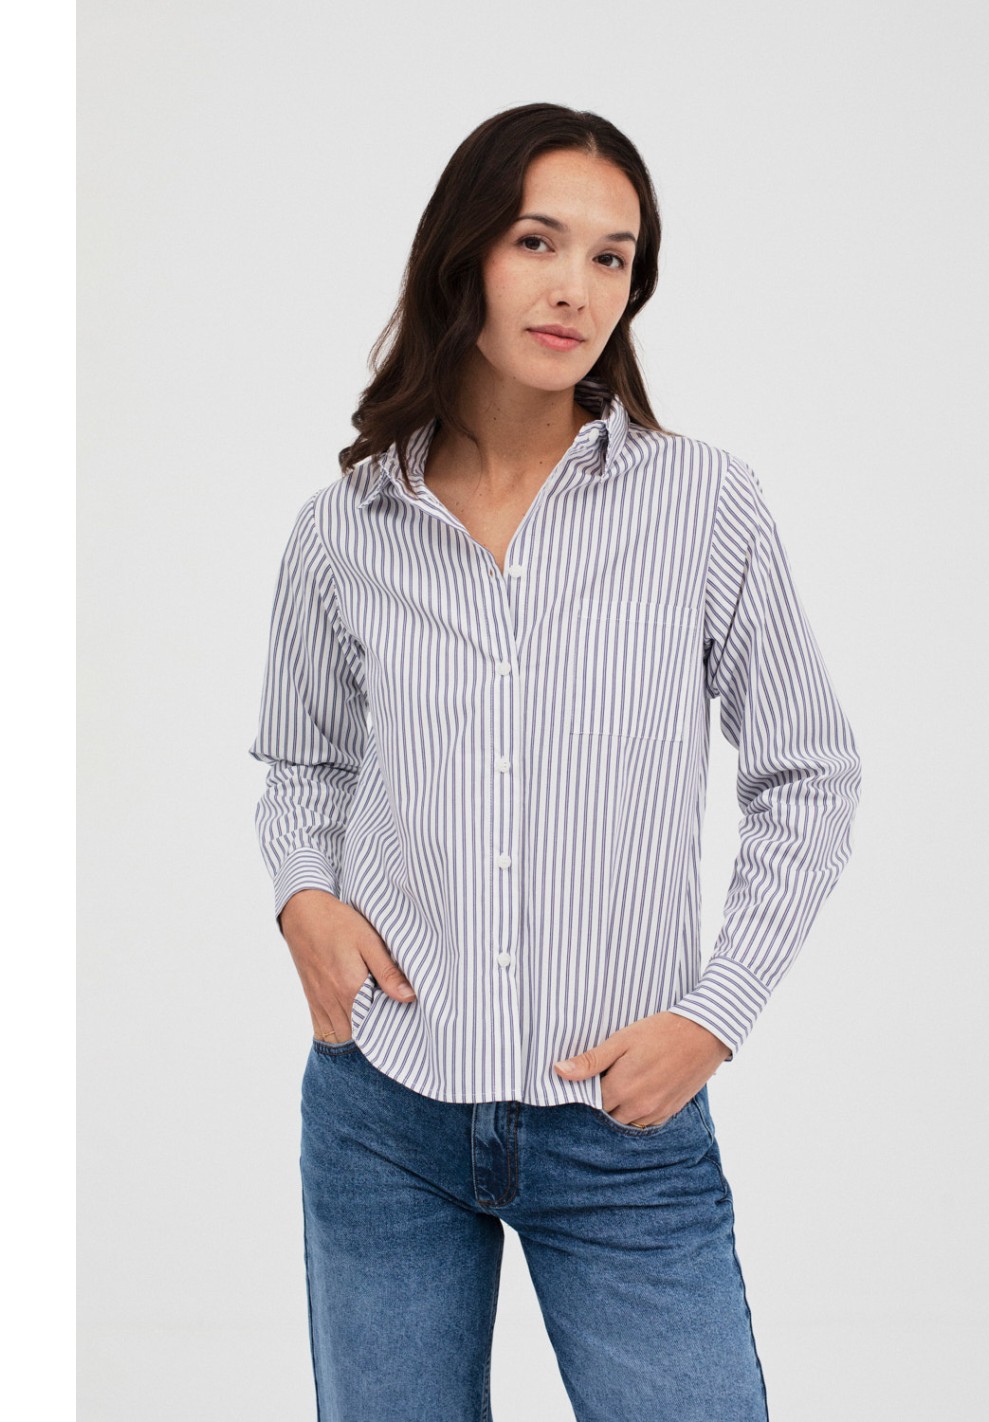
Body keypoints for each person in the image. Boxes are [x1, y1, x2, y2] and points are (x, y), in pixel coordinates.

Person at [248, 102, 861, 1422]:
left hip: (624, 1126)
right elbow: (302, 763)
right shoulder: (343, 529)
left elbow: (809, 775)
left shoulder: (705, 505)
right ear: (463, 254)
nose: (576, 286)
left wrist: (715, 1014)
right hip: (383, 1108)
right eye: (538, 240)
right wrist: (303, 899)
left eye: (611, 256)